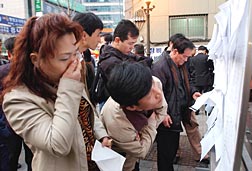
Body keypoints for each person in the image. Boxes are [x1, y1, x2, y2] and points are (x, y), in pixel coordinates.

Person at [1, 14, 110, 171]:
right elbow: (58, 144)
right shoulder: (18, 99)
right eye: (65, 58)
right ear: (35, 59)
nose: (74, 62)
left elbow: (86, 109)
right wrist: (69, 88)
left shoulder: (65, 78)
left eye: (75, 53)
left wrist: (101, 134)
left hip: (91, 161)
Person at [101, 61, 167, 171]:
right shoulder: (117, 121)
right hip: (122, 160)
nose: (158, 93)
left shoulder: (152, 82)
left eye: (152, 85)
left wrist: (143, 134)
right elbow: (141, 151)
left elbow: (162, 110)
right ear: (132, 107)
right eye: (149, 95)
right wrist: (150, 123)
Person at [152, 36, 200, 171]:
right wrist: (163, 113)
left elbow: (187, 83)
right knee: (166, 154)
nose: (186, 60)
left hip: (177, 113)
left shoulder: (179, 65)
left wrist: (193, 93)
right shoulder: (160, 66)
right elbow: (156, 94)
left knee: (171, 151)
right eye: (184, 57)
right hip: (167, 117)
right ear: (175, 51)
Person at [91, 19, 152, 110]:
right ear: (117, 40)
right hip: (113, 107)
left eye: (134, 44)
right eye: (130, 43)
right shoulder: (109, 61)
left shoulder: (123, 54)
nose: (132, 48)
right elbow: (129, 82)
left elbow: (143, 61)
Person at [0, 37, 33, 171]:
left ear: (9, 53)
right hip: (31, 123)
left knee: (8, 161)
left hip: (7, 124)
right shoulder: (35, 71)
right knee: (33, 160)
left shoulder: (2, 71)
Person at [72, 12, 104, 100]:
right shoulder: (70, 62)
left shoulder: (79, 57)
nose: (100, 40)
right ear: (84, 35)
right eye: (98, 35)